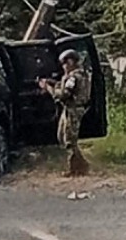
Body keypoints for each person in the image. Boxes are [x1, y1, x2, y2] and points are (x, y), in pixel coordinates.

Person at [38, 49, 92, 177]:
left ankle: (75, 168)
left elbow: (63, 95)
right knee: (62, 137)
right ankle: (81, 165)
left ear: (71, 62)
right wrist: (54, 83)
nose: (63, 66)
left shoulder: (74, 77)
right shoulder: (77, 76)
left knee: (69, 140)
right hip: (70, 109)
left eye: (64, 63)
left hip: (73, 109)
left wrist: (48, 88)